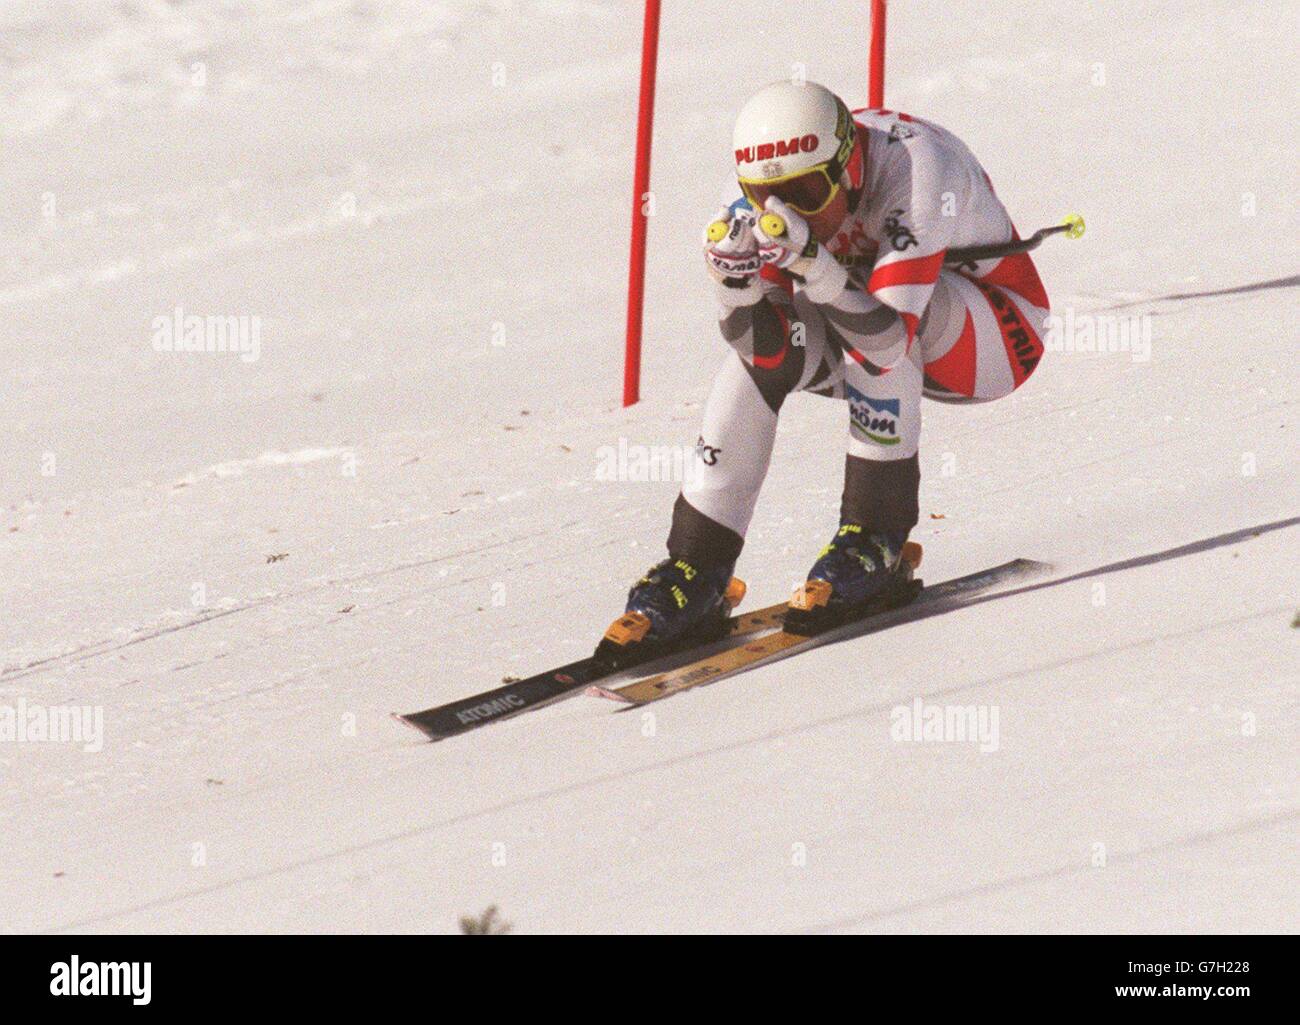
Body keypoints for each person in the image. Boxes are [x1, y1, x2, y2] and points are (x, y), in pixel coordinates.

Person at [607, 79, 1050, 652]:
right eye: (767, 196)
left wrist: (817, 266)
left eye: (809, 193)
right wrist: (734, 297)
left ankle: (875, 536)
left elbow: (887, 345)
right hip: (877, 323)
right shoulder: (757, 195)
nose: (789, 212)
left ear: (850, 167)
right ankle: (695, 568)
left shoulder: (917, 174)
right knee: (752, 357)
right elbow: (769, 352)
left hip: (992, 335)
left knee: (877, 323)